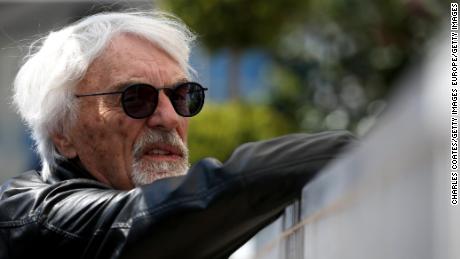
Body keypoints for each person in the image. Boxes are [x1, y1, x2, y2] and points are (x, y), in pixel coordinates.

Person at [0, 11, 353, 258]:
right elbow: (140, 220)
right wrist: (352, 149)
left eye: (183, 96)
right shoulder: (28, 218)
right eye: (135, 98)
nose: (168, 118)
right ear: (63, 134)